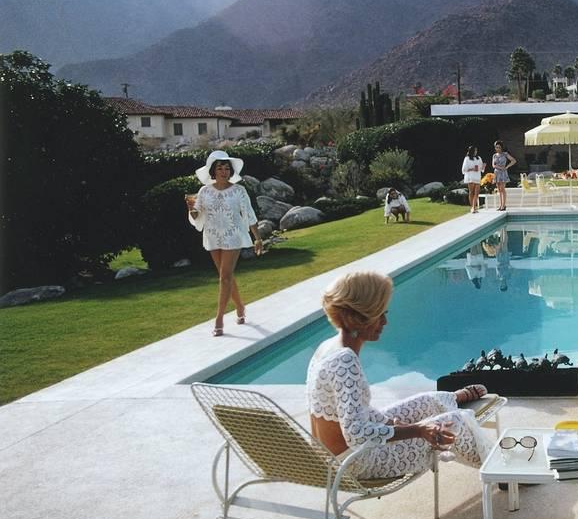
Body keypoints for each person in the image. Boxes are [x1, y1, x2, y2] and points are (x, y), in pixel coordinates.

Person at [307, 271, 493, 479]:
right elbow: (356, 433)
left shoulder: (327, 347)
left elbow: (354, 410)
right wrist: (418, 429)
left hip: (335, 455)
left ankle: (452, 398)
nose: (385, 322)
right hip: (355, 462)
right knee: (456, 421)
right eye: (380, 314)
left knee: (427, 401)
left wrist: (391, 424)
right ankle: (501, 472)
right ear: (360, 317)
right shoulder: (345, 360)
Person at [187, 150, 261, 337]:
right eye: (220, 168)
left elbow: (249, 214)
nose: (224, 171)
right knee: (225, 276)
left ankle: (219, 318)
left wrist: (258, 238)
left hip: (233, 235)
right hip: (212, 236)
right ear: (213, 170)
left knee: (225, 276)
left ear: (231, 171)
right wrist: (191, 209)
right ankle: (240, 306)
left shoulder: (239, 191)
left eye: (227, 168)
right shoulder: (204, 191)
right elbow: (197, 216)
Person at [491, 140, 517, 211]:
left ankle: (503, 205)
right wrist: (500, 167)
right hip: (497, 173)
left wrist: (507, 167)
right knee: (499, 190)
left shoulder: (505, 154)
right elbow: (493, 165)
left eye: (499, 147)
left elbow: (514, 160)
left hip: (503, 173)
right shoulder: (494, 155)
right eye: (496, 147)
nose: (497, 149)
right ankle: (501, 205)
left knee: (502, 189)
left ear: (501, 148)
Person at [461, 146, 485, 214]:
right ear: (471, 151)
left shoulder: (479, 158)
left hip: (477, 177)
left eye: (476, 150)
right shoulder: (467, 158)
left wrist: (483, 167)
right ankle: (472, 207)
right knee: (471, 192)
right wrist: (472, 169)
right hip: (470, 177)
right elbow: (464, 169)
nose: (476, 152)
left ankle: (474, 207)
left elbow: (482, 169)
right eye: (475, 150)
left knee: (476, 193)